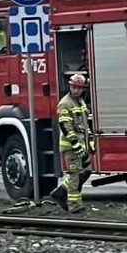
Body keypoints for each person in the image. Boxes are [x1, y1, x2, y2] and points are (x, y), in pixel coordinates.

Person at [46, 73, 93, 213]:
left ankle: (60, 193)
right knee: (74, 175)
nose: (76, 90)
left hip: (81, 146)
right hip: (71, 147)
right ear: (70, 86)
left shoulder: (81, 102)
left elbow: (84, 125)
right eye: (74, 87)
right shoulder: (65, 103)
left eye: (79, 88)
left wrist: (90, 141)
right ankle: (75, 206)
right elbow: (65, 126)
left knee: (86, 172)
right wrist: (75, 144)